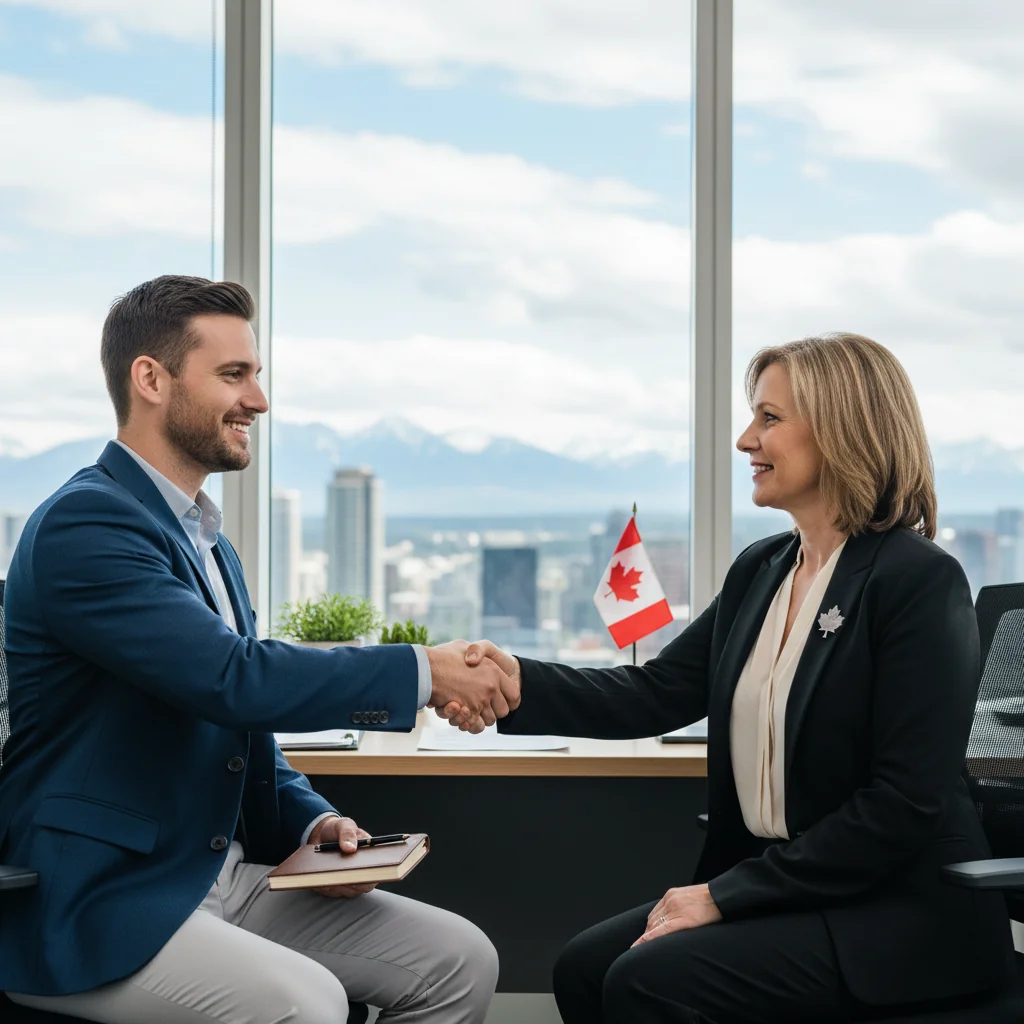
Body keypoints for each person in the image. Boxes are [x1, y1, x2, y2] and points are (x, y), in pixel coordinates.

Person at [441, 333, 1017, 1023]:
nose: (747, 439)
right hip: (792, 892)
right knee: (586, 970)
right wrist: (514, 682)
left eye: (769, 418)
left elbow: (902, 806)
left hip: (897, 912)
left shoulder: (916, 580)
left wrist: (723, 895)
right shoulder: (763, 569)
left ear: (841, 430)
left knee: (646, 983)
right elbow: (653, 692)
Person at [0, 275, 514, 1023]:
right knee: (308, 1004)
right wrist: (420, 670)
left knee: (460, 961)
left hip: (218, 877)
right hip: (99, 900)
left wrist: (312, 826)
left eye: (256, 375)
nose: (259, 401)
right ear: (151, 378)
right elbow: (228, 679)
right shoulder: (88, 525)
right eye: (233, 375)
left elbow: (239, 732)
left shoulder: (208, 542)